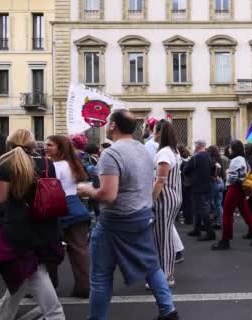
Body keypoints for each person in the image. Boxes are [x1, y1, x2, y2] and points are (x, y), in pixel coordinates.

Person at [77, 110, 179, 320]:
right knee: (151, 265)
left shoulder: (111, 153)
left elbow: (108, 195)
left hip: (115, 220)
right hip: (141, 216)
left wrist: (87, 190)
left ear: (113, 125)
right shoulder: (143, 150)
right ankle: (168, 311)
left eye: (107, 123)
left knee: (101, 277)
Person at [0, 129, 65, 320]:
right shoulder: (46, 163)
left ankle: (56, 316)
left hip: (18, 230)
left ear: (9, 144)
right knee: (24, 274)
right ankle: (3, 315)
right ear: (32, 145)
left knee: (32, 273)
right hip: (46, 225)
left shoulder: (5, 163)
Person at [44, 135, 91, 298]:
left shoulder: (55, 166)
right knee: (79, 251)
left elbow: (49, 187)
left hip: (59, 208)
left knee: (48, 249)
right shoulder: (72, 164)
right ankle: (84, 286)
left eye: (50, 145)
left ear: (60, 148)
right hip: (77, 208)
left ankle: (47, 286)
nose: (46, 147)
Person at [211, 140, 252, 250]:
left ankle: (225, 240)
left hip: (234, 187)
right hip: (240, 188)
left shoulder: (236, 160)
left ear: (234, 149)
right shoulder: (243, 159)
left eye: (230, 147)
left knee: (227, 213)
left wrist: (228, 175)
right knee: (246, 212)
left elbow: (234, 177)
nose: (229, 149)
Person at [151, 120, 183, 286]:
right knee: (165, 237)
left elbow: (160, 181)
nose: (153, 134)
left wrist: (151, 200)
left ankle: (166, 275)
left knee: (162, 239)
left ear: (160, 133)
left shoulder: (164, 153)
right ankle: (165, 274)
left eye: (155, 131)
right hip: (172, 197)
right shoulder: (173, 151)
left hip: (165, 199)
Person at [183, 139, 215, 241]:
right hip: (207, 185)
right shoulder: (208, 156)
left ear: (198, 146)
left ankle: (210, 233)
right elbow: (213, 168)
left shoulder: (196, 157)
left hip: (197, 186)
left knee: (201, 209)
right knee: (198, 209)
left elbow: (186, 170)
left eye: (194, 145)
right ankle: (196, 229)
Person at [207, 145, 224, 230]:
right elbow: (223, 172)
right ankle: (219, 222)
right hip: (221, 182)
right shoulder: (220, 159)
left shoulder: (210, 160)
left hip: (213, 183)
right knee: (218, 204)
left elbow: (210, 172)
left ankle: (207, 222)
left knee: (209, 202)